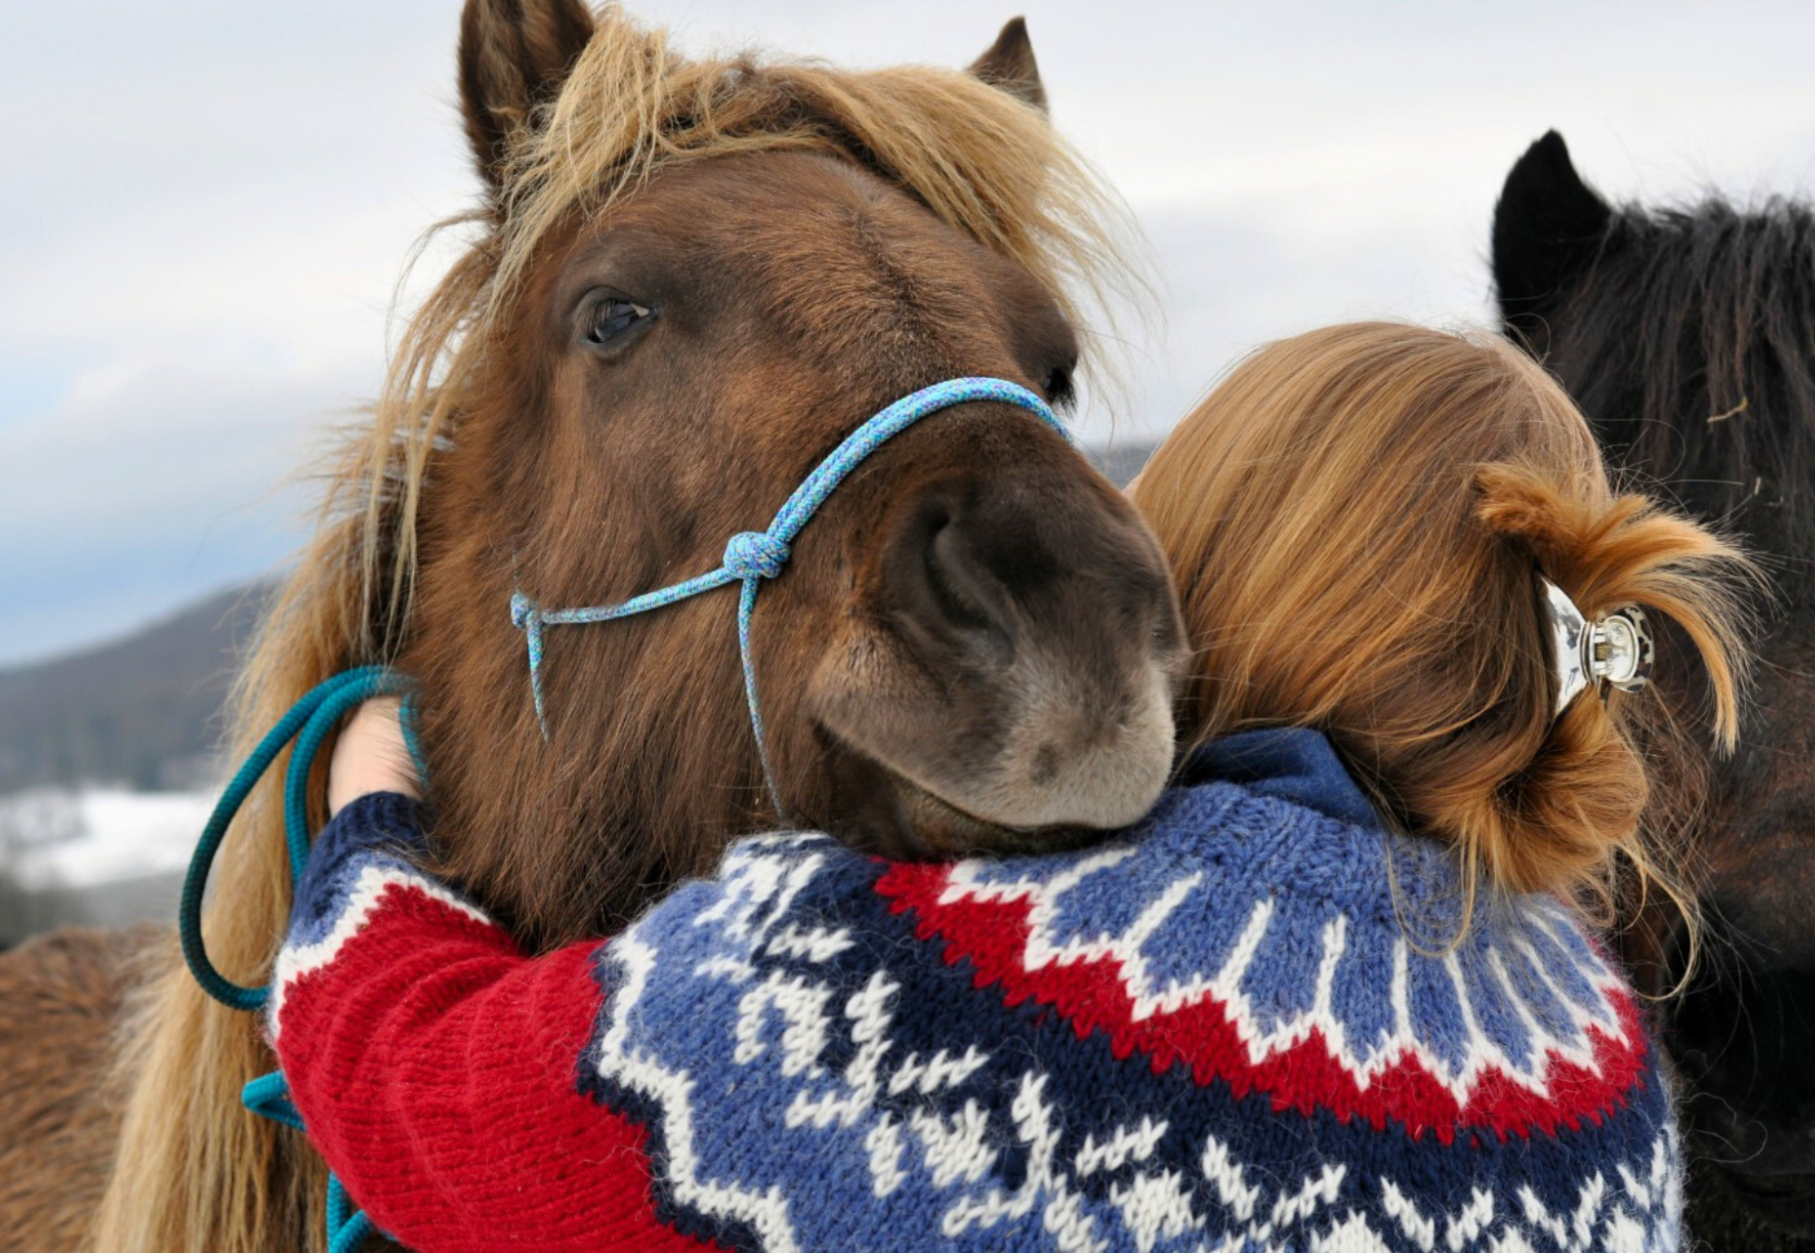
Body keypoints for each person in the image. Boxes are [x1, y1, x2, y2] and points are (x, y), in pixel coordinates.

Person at [271, 322, 1748, 1251]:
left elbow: (414, 1096)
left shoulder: (942, 1002)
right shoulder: (1595, 1058)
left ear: (1213, 553)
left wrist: (372, 810)